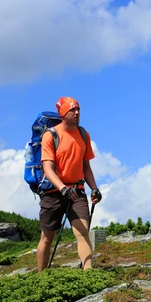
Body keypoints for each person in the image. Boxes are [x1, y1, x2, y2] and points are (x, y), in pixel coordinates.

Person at [36, 97, 102, 272]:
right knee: (47, 237)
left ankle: (89, 274)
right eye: (72, 110)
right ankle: (40, 278)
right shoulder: (50, 136)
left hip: (77, 191)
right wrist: (62, 188)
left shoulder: (83, 134)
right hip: (53, 193)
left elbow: (86, 166)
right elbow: (48, 169)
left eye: (78, 109)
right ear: (63, 114)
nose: (77, 113)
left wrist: (94, 188)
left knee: (82, 232)